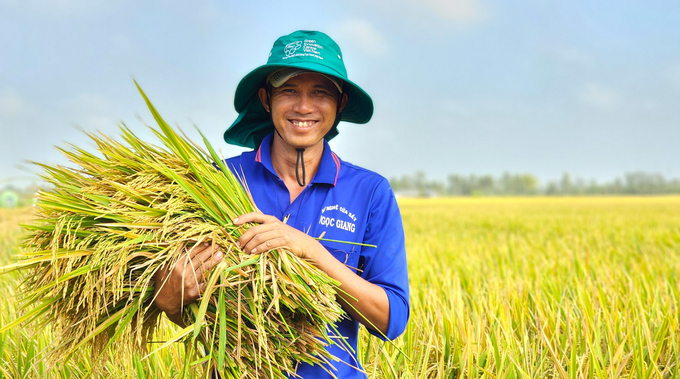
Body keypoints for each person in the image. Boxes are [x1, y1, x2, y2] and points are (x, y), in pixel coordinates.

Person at [154, 30, 410, 378]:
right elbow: (191, 304)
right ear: (265, 99)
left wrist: (311, 252)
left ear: (341, 104)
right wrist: (168, 300)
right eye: (289, 90)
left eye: (320, 92)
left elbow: (390, 320)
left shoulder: (370, 192)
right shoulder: (219, 182)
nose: (304, 107)